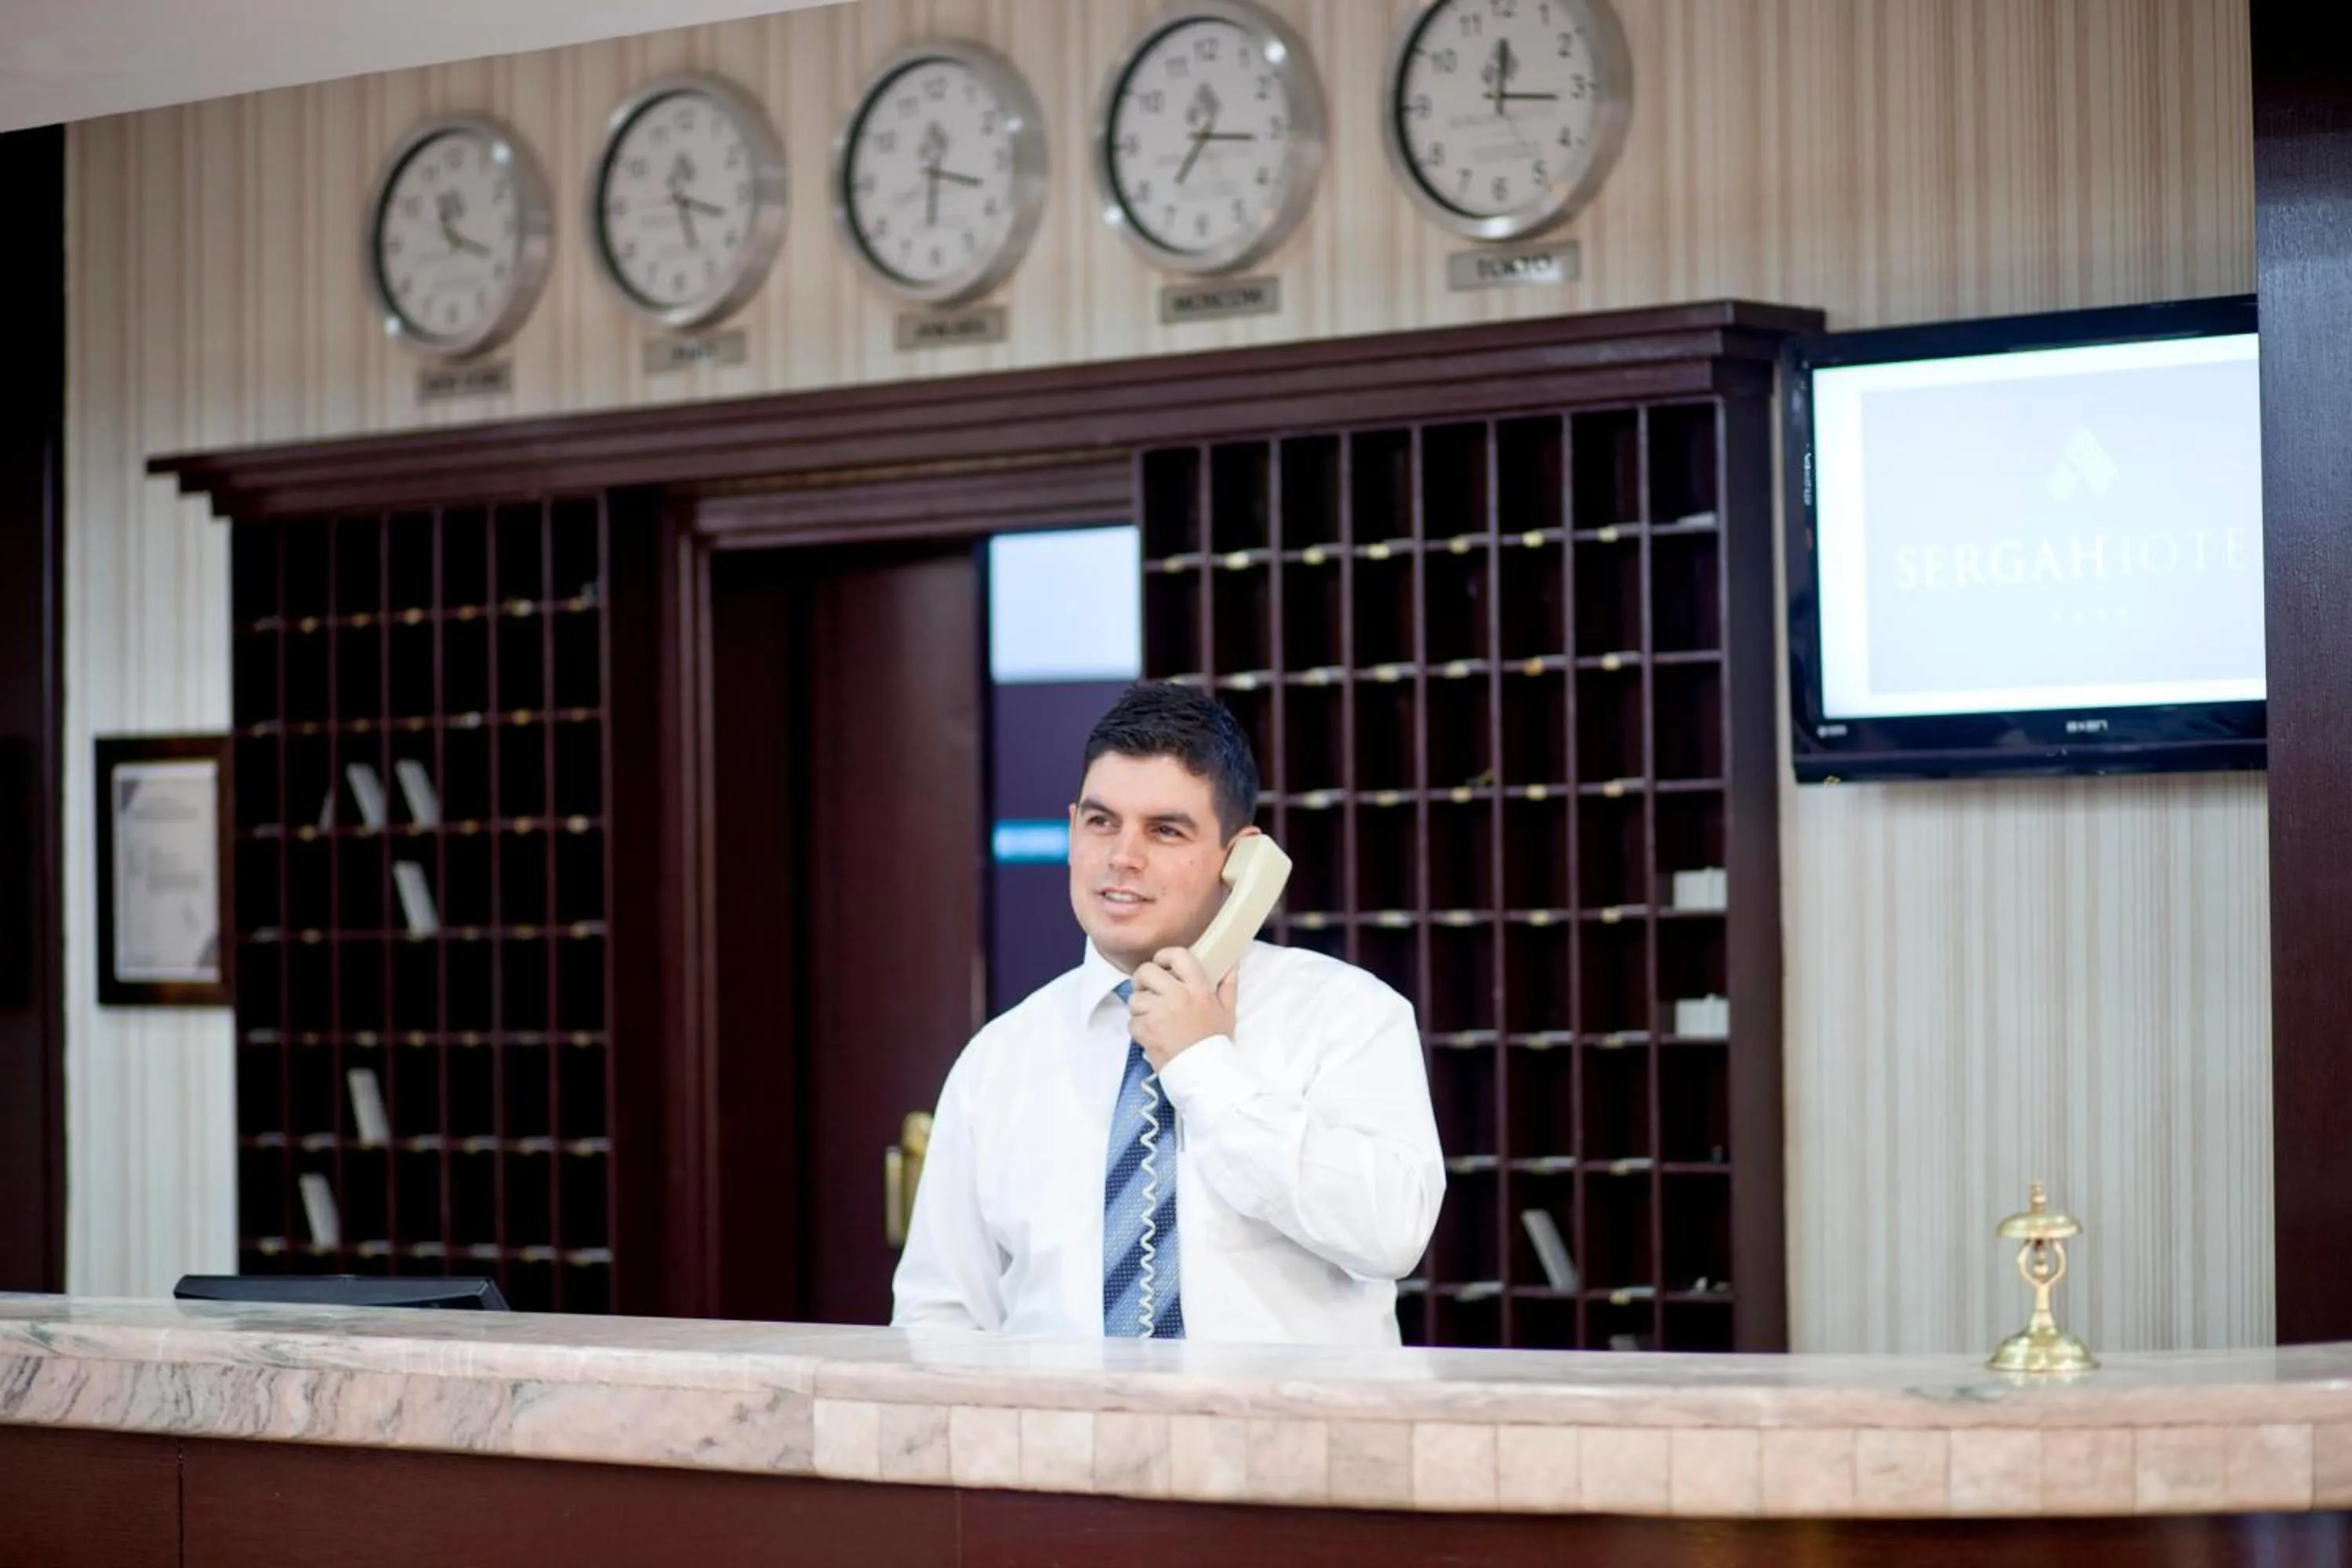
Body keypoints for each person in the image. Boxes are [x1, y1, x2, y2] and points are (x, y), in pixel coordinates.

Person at [891, 681, 1445, 1345]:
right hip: (1062, 1444)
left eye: (1165, 830)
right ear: (1072, 831)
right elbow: (938, 1317)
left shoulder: (1347, 1016)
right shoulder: (1001, 1057)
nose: (1122, 856)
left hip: (1282, 1444)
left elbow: (1393, 1234)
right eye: (1101, 822)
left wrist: (1205, 1067)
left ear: (1241, 860)